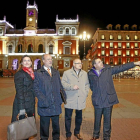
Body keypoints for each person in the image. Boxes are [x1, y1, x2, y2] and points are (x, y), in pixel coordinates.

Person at [88, 58, 140, 140]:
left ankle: (106, 137)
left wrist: (135, 63)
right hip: (98, 101)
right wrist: (96, 92)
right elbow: (91, 86)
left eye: (101, 61)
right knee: (97, 120)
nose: (101, 62)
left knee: (107, 121)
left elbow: (121, 67)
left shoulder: (108, 70)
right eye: (99, 62)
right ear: (95, 65)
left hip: (108, 100)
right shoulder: (90, 74)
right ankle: (95, 135)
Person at [34, 54, 66, 140]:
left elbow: (60, 86)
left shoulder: (56, 72)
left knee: (56, 126)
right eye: (48, 59)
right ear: (43, 61)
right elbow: (36, 88)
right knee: (44, 126)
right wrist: (43, 100)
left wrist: (63, 98)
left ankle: (56, 138)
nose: (50, 61)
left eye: (51, 59)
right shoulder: (38, 73)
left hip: (56, 103)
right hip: (45, 104)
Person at [61, 58, 90, 140]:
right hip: (70, 98)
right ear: (73, 64)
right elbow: (63, 83)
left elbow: (87, 84)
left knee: (79, 118)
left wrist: (85, 93)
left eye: (80, 63)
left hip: (80, 98)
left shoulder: (84, 73)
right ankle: (68, 134)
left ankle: (77, 132)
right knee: (68, 118)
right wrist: (71, 87)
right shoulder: (67, 73)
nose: (80, 64)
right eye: (78, 63)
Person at [11, 55, 35, 140]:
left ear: (31, 62)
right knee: (21, 128)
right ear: (21, 63)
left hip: (30, 103)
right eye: (25, 61)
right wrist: (21, 109)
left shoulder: (31, 73)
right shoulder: (19, 74)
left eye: (28, 60)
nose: (27, 62)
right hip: (22, 103)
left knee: (27, 128)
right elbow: (19, 92)